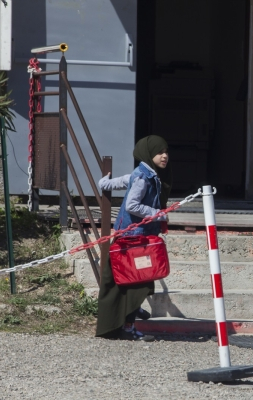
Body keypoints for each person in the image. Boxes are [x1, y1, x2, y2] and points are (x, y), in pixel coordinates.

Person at [95, 135, 172, 342]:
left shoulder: (145, 174)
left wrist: (105, 183)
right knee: (136, 285)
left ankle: (132, 315)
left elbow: (123, 181)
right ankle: (128, 327)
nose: (165, 156)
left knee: (139, 283)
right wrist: (158, 214)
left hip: (138, 239)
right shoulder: (143, 177)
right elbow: (132, 205)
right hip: (133, 241)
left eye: (166, 152)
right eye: (159, 152)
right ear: (149, 154)